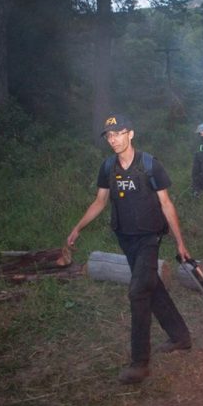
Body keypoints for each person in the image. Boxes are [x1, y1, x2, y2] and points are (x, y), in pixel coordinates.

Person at [67, 114, 192, 385]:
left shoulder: (149, 165)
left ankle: (139, 363)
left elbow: (166, 204)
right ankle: (180, 336)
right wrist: (78, 227)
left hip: (149, 236)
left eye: (118, 133)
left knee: (138, 292)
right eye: (109, 136)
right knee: (151, 285)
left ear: (130, 134)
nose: (113, 139)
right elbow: (100, 201)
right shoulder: (108, 167)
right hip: (125, 237)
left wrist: (180, 242)